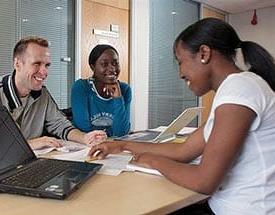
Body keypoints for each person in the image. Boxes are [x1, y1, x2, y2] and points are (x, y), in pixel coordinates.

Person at [88, 18, 275, 214]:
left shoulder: (239, 90)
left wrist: (152, 160)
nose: (180, 73)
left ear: (204, 53)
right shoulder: (238, 89)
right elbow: (184, 150)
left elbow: (204, 181)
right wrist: (122, 145)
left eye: (180, 62)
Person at [0, 36, 107, 150]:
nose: (44, 71)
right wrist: (29, 144)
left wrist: (85, 138)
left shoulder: (41, 93)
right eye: (37, 64)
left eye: (47, 65)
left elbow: (59, 124)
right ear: (17, 64)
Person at [71, 44, 131, 137]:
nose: (112, 69)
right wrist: (110, 133)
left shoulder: (124, 89)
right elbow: (83, 130)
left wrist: (118, 98)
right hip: (85, 145)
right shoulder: (81, 87)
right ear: (93, 67)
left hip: (114, 145)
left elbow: (122, 132)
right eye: (104, 64)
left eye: (115, 63)